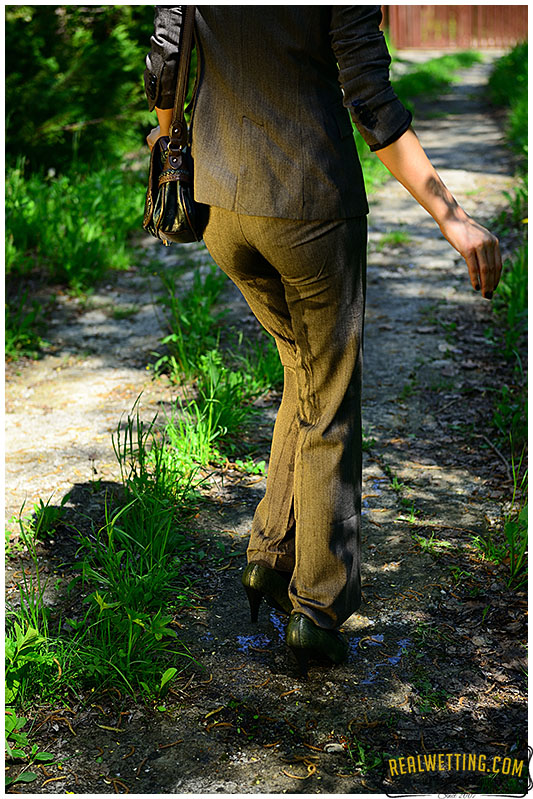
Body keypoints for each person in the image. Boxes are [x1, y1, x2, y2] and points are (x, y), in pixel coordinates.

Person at [144, 6, 502, 676]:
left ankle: (270, 553)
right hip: (309, 206)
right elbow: (369, 99)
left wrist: (167, 143)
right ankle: (318, 607)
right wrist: (453, 219)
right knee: (330, 394)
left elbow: (165, 59)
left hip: (221, 207)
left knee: (303, 371)